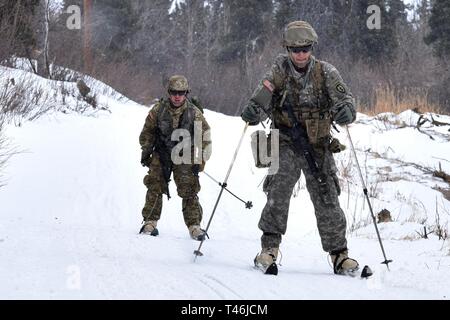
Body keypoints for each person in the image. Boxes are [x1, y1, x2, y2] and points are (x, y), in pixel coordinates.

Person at [241, 21, 359, 275]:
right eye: (295, 50)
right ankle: (269, 248)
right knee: (278, 191)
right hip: (285, 141)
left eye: (305, 49)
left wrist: (346, 110)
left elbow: (345, 99)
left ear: (311, 48)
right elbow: (263, 93)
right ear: (287, 49)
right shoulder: (279, 70)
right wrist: (254, 108)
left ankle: (339, 254)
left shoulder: (326, 72)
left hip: (318, 145)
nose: (301, 54)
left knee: (327, 196)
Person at [139, 75, 211, 241]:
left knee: (189, 188)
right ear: (168, 92)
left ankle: (194, 226)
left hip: (185, 153)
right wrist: (147, 152)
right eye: (174, 92)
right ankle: (150, 221)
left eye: (181, 92)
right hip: (162, 151)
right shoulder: (158, 110)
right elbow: (147, 132)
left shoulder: (194, 112)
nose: (177, 96)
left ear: (186, 93)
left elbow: (205, 136)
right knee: (154, 184)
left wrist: (200, 160)